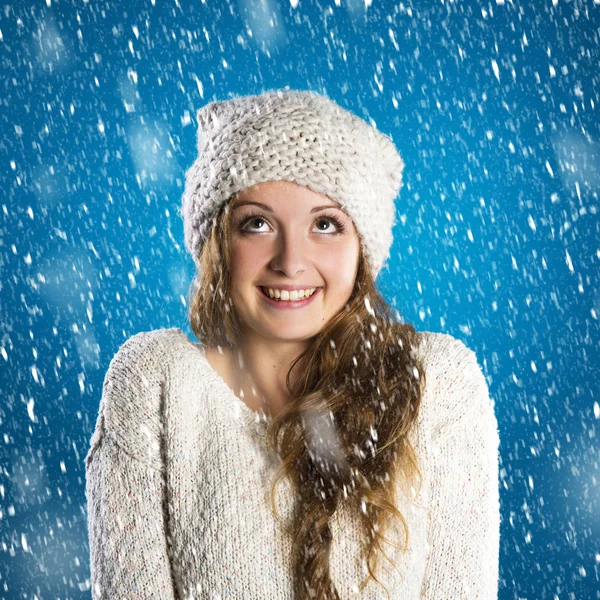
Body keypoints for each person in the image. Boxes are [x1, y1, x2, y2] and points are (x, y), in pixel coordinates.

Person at [85, 88, 501, 599]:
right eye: (256, 223)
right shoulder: (154, 380)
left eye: (325, 224)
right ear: (217, 243)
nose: (290, 260)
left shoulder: (437, 383)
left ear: (362, 251)